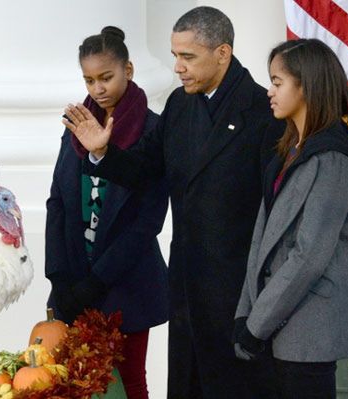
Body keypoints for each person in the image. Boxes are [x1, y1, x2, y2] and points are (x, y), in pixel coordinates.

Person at [63, 7, 285, 399]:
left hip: (238, 295)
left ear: (222, 53)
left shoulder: (263, 112)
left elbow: (277, 211)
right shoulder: (181, 105)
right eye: (175, 55)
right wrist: (103, 152)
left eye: (188, 57)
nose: (177, 68)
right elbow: (144, 169)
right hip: (186, 289)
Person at [45, 26, 169, 399]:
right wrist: (60, 279)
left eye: (106, 77)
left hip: (126, 283)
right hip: (74, 280)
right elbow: (58, 203)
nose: (97, 88)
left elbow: (147, 220)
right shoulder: (78, 125)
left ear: (128, 70)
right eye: (88, 79)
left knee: (129, 380)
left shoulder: (154, 129)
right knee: (73, 378)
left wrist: (97, 281)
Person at [234, 39, 348, 399]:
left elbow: (310, 255)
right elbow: (262, 239)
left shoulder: (333, 159)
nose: (269, 91)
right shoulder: (289, 151)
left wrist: (256, 325)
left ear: (307, 85)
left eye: (277, 82)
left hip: (309, 334)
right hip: (275, 325)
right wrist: (246, 314)